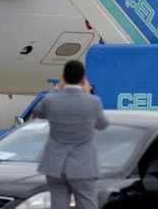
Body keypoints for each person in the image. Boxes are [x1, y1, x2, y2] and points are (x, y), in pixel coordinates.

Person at [35, 60, 109, 209]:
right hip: (83, 165)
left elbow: (38, 112)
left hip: (55, 165)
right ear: (83, 78)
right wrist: (87, 93)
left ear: (63, 77)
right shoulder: (93, 102)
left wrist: (56, 88)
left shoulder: (51, 100)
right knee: (87, 204)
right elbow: (103, 125)